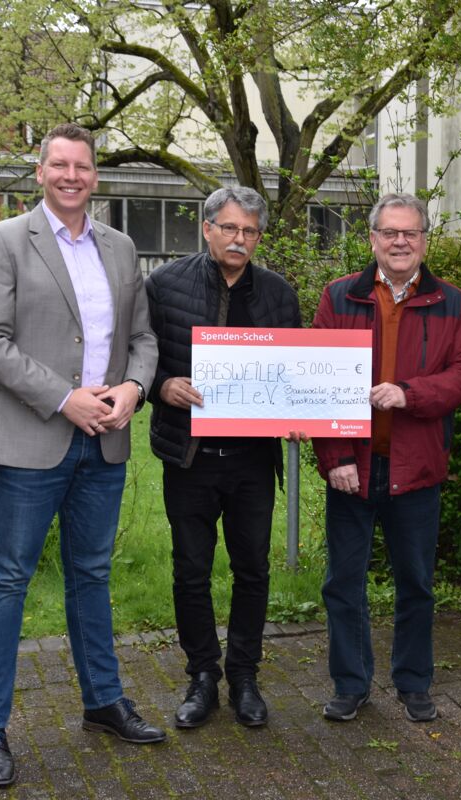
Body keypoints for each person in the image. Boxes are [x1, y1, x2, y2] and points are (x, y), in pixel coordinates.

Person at [0, 122, 161, 786]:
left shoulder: (121, 246)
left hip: (105, 442)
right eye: (60, 165)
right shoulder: (3, 241)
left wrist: (135, 386)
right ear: (40, 171)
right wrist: (64, 398)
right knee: (7, 580)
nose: (72, 175)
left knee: (92, 576)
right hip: (31, 442)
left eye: (83, 166)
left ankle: (103, 701)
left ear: (95, 175)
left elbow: (143, 337)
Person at [311, 193, 461, 724]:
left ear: (425, 240)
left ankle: (413, 683)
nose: (400, 242)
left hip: (418, 464)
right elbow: (317, 378)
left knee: (416, 583)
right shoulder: (339, 296)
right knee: (344, 583)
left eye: (410, 233)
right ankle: (351, 683)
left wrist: (410, 393)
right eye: (390, 233)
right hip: (351, 466)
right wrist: (334, 456)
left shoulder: (451, 301)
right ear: (373, 240)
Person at [144, 187, 301, 729]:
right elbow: (139, 359)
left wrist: (302, 411)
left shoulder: (279, 293)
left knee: (252, 570)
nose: (240, 240)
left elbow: (295, 371)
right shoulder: (164, 285)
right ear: (207, 227)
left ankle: (245, 675)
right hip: (188, 455)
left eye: (250, 231)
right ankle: (202, 675)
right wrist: (163, 387)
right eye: (230, 228)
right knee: (191, 570)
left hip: (253, 460)